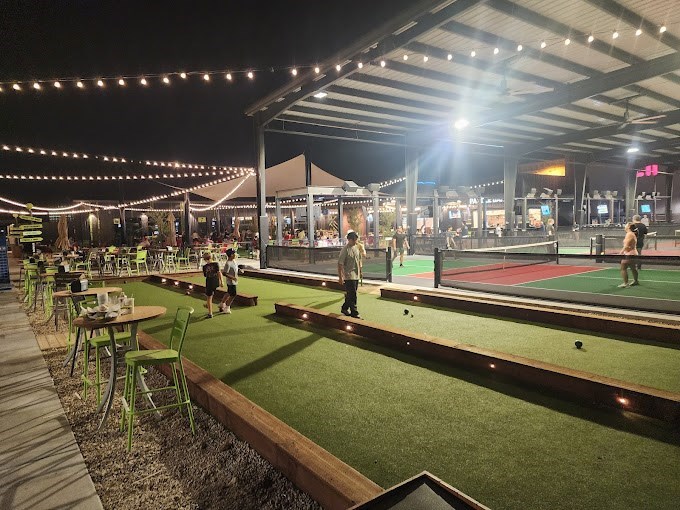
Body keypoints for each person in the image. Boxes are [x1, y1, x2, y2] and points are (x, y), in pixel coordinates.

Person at [338, 231, 362, 318]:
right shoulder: (345, 250)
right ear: (349, 240)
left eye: (356, 239)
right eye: (354, 239)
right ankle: (354, 312)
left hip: (356, 275)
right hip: (349, 275)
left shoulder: (356, 248)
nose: (356, 241)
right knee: (353, 294)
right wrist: (340, 277)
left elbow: (359, 260)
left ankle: (344, 308)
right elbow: (340, 264)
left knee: (351, 294)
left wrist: (360, 271)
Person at [618, 223, 639, 288]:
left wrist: (620, 253)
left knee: (623, 268)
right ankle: (636, 281)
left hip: (629, 254)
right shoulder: (631, 234)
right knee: (633, 268)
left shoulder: (629, 234)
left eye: (626, 225)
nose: (625, 226)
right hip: (633, 253)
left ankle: (626, 283)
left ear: (629, 227)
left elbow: (626, 246)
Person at [202, 252, 223, 318]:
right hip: (216, 281)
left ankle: (210, 313)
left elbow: (205, 275)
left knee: (209, 297)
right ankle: (209, 304)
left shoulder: (204, 267)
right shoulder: (216, 264)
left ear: (204, 259)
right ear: (211, 257)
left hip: (209, 282)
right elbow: (219, 273)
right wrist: (221, 281)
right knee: (212, 294)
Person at [218, 248, 238, 314]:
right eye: (234, 253)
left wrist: (239, 270)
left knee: (229, 292)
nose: (235, 254)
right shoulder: (228, 263)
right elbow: (224, 273)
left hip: (234, 281)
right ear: (231, 255)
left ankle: (222, 303)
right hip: (231, 282)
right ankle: (227, 307)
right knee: (233, 294)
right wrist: (232, 277)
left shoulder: (234, 261)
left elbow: (235, 267)